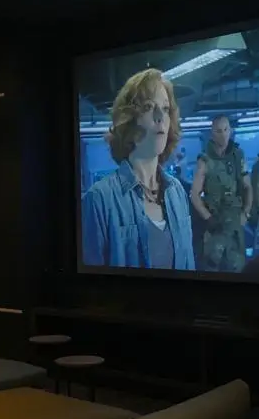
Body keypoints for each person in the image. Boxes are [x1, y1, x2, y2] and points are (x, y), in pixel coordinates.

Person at [81, 68, 194, 269]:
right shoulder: (99, 200)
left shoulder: (177, 192)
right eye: (149, 107)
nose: (160, 116)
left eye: (165, 108)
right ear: (129, 121)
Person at [190, 115, 252, 272]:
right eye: (219, 131)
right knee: (211, 267)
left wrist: (246, 213)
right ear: (212, 133)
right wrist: (208, 218)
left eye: (226, 130)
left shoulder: (238, 156)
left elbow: (248, 187)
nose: (223, 135)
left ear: (230, 131)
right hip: (215, 224)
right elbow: (195, 195)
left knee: (237, 268)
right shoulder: (204, 160)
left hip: (235, 224)